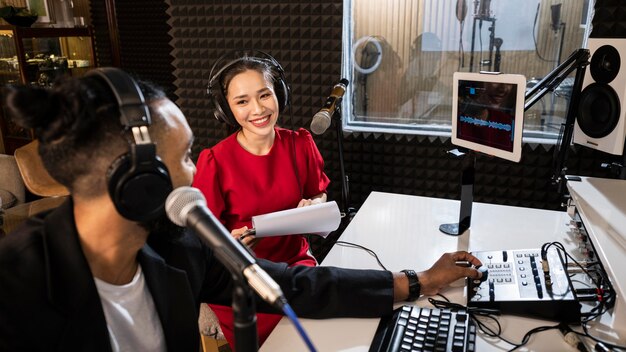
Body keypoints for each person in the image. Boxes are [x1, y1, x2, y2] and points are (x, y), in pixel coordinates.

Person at [0, 67, 483, 351]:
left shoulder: (176, 250)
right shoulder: (13, 289)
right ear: (139, 181)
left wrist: (417, 280)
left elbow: (293, 283)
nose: (194, 173)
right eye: (185, 156)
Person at [194, 53, 329, 345]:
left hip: (295, 265)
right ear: (226, 109)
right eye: (242, 101)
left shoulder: (300, 144)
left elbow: (318, 192)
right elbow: (199, 241)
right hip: (243, 278)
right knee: (281, 342)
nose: (257, 109)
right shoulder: (215, 162)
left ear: (278, 94)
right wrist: (229, 242)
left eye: (264, 95)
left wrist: (315, 206)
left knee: (322, 330)